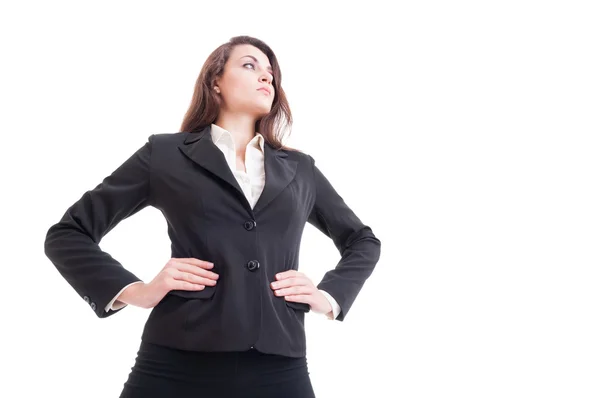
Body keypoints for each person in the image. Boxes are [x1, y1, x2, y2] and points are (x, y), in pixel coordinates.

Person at [44, 35, 381, 397]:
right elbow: (68, 233)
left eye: (271, 72)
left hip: (278, 365)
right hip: (176, 362)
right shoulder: (166, 154)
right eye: (250, 65)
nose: (266, 77)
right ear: (215, 81)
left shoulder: (300, 169)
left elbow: (362, 240)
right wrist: (135, 291)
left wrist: (328, 297)